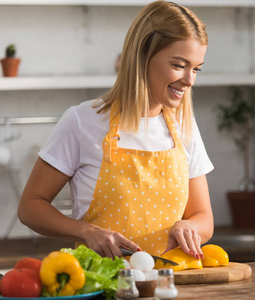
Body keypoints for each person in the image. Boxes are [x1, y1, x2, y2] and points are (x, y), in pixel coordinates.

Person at [18, 1, 214, 260]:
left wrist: (191, 226)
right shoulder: (82, 121)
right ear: (142, 55)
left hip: (170, 283)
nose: (190, 80)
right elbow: (31, 206)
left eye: (196, 68)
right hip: (104, 286)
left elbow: (204, 218)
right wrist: (87, 231)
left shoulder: (183, 126)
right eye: (179, 65)